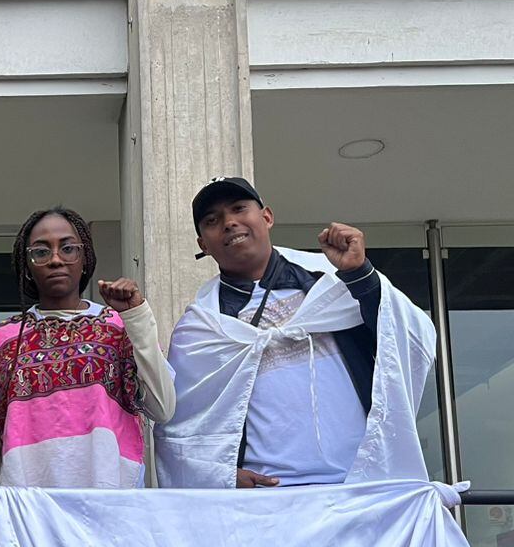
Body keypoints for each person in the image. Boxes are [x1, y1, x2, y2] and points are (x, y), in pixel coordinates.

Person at [155, 177, 436, 490]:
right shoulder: (201, 326)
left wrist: (360, 275)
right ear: (203, 245)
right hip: (267, 498)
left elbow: (407, 337)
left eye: (239, 209)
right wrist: (220, 475)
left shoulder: (332, 279)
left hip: (361, 482)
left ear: (267, 216)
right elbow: (177, 424)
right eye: (212, 220)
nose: (229, 222)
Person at [0, 207, 176, 488]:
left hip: (109, 506)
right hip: (28, 512)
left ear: (84, 259)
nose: (56, 259)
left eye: (68, 248)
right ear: (28, 267)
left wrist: (137, 315)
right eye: (41, 252)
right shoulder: (1, 340)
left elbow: (162, 408)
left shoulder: (119, 327)